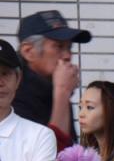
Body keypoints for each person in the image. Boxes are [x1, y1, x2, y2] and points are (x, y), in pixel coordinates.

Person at [14, 10, 90, 150]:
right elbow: (48, 157)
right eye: (58, 46)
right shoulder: (11, 92)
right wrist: (62, 91)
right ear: (28, 52)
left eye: (69, 47)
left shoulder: (51, 86)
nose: (67, 56)